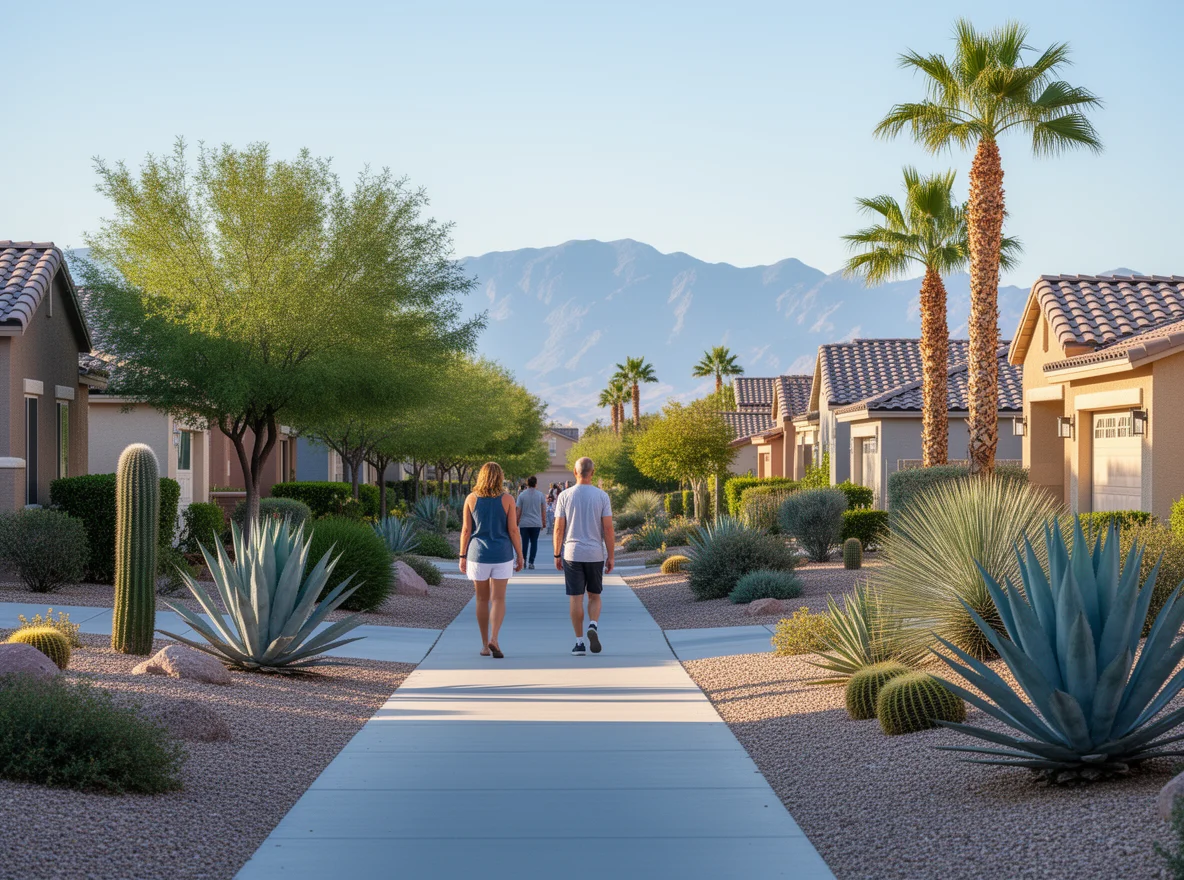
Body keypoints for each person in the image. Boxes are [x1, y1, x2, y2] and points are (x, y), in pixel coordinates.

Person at [459, 462, 524, 658]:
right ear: (500, 477)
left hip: (478, 555)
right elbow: (513, 530)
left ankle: (484, 646)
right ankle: (494, 638)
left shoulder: (471, 499)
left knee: (481, 599)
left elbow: (466, 530)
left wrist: (462, 556)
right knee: (498, 599)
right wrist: (520, 555)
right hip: (502, 554)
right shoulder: (508, 499)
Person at [552, 457, 614, 656]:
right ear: (592, 473)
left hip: (572, 553)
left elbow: (558, 528)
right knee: (594, 595)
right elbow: (608, 528)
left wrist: (556, 553)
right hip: (595, 553)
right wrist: (610, 555)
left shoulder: (564, 496)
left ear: (574, 472)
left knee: (575, 598)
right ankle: (593, 625)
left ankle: (579, 643)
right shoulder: (602, 496)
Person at [516, 476, 547, 569]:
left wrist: (516, 521)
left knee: (524, 542)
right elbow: (543, 510)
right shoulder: (540, 495)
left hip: (524, 523)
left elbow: (518, 510)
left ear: (527, 483)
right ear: (536, 483)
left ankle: (524, 560)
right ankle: (531, 562)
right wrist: (543, 521)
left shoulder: (522, 495)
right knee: (534, 542)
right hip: (536, 523)